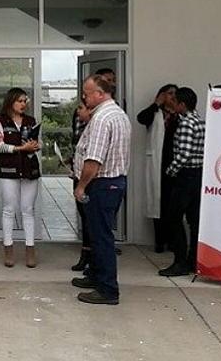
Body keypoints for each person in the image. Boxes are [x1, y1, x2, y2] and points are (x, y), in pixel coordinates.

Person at [71, 75, 131, 305]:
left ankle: (107, 289)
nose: (84, 98)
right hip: (114, 182)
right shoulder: (118, 114)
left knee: (101, 237)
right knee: (98, 234)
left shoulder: (102, 119)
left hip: (101, 184)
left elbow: (94, 159)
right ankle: (95, 276)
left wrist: (81, 185)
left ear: (100, 93)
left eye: (87, 94)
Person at [159, 86, 206, 277]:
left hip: (185, 176)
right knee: (194, 220)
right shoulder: (200, 121)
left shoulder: (186, 123)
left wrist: (170, 170)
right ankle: (194, 260)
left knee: (174, 218)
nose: (172, 104)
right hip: (198, 174)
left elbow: (184, 154)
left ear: (182, 104)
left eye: (175, 101)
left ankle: (180, 262)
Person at [0, 88, 41, 268]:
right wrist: (20, 149)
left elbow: (37, 142)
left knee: (28, 209)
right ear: (11, 101)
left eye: (24, 101)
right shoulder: (0, 120)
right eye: (19, 101)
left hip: (29, 169)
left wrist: (36, 146)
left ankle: (30, 249)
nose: (23, 104)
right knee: (9, 209)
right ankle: (8, 249)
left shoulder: (30, 121)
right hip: (9, 169)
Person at [136, 84, 179, 253]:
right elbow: (141, 118)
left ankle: (174, 242)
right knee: (158, 204)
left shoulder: (180, 114)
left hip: (176, 165)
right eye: (169, 93)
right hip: (158, 164)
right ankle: (160, 241)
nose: (173, 96)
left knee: (173, 204)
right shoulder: (155, 113)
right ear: (161, 96)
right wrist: (156, 104)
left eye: (175, 93)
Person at [70, 99, 93, 272]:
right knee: (85, 217)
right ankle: (86, 255)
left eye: (81, 108)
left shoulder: (98, 127)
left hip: (90, 179)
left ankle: (92, 259)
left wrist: (82, 184)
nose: (78, 111)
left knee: (92, 219)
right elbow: (76, 148)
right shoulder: (79, 122)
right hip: (78, 174)